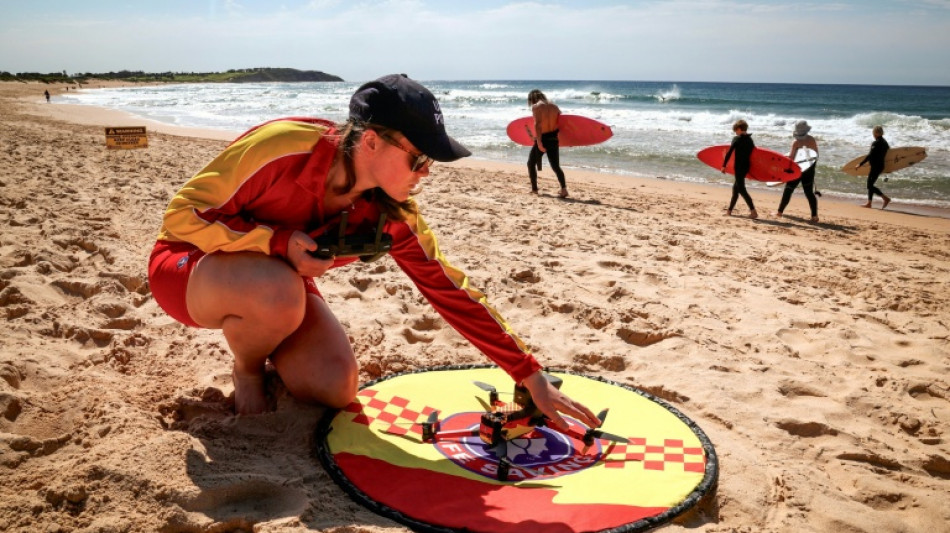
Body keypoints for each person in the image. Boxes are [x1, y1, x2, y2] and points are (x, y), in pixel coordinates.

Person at [147, 74, 601, 431]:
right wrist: (276, 242)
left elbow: (447, 287)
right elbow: (182, 216)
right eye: (419, 160)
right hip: (189, 268)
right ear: (370, 142)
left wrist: (528, 374)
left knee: (336, 386)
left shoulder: (392, 212)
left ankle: (266, 335)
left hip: (277, 287)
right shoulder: (282, 146)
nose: (425, 173)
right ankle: (247, 369)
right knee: (279, 290)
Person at [526, 90, 569, 198]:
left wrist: (539, 142)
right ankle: (564, 189)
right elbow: (562, 122)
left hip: (543, 138)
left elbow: (538, 125)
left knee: (531, 163)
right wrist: (569, 139)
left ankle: (534, 189)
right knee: (555, 166)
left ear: (532, 99)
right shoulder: (555, 106)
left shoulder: (536, 107)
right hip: (554, 138)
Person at [775, 120, 819, 223]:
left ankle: (779, 212)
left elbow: (791, 158)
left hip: (797, 169)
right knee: (809, 193)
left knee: (788, 190)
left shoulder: (796, 142)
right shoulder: (811, 140)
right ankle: (814, 216)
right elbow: (816, 155)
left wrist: (784, 159)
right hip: (809, 169)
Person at [721, 119, 758, 219]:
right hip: (746, 167)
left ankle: (753, 211)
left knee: (741, 189)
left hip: (738, 167)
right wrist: (753, 172)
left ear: (738, 129)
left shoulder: (736, 139)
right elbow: (754, 156)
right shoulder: (750, 140)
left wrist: (724, 165)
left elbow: (729, 153)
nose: (735, 133)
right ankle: (729, 211)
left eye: (735, 130)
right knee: (735, 189)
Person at [856, 125, 891, 209]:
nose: (873, 134)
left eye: (873, 132)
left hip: (876, 166)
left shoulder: (876, 143)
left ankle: (885, 198)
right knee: (871, 184)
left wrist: (860, 164)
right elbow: (889, 155)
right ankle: (869, 203)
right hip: (880, 166)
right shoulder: (885, 142)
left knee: (869, 185)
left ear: (875, 133)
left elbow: (870, 155)